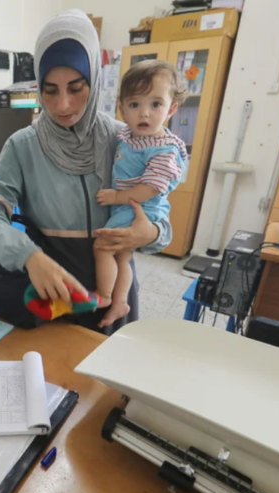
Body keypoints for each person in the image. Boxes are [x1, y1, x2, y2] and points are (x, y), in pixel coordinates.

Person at [0, 10, 172, 333]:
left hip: (116, 294)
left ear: (94, 76)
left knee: (108, 379)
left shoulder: (127, 139)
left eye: (76, 87)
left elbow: (161, 216)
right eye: (50, 90)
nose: (63, 105)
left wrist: (150, 233)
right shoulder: (22, 146)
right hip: (54, 298)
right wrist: (28, 257)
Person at [94, 60, 188, 328]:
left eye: (155, 104)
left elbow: (151, 188)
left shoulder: (163, 148)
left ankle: (104, 295)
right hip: (129, 207)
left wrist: (116, 197)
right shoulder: (128, 134)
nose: (144, 114)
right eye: (135, 105)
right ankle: (120, 300)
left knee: (102, 247)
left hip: (139, 208)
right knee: (122, 255)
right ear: (122, 109)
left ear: (171, 109)